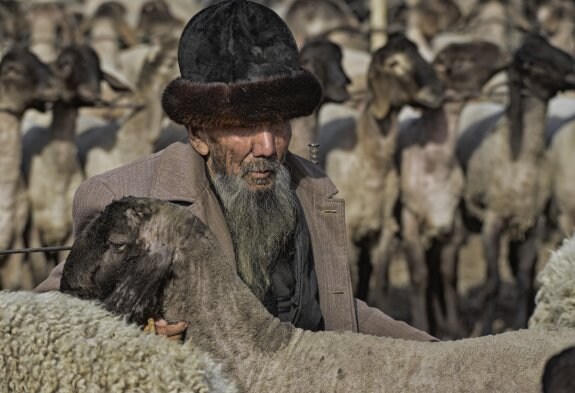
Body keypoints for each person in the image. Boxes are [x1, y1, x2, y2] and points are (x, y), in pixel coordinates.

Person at [36, 0, 436, 342]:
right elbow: (51, 321)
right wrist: (131, 339)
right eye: (244, 126)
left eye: (279, 122)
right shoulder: (124, 201)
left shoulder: (310, 189)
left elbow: (336, 309)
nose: (268, 146)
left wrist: (446, 357)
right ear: (198, 133)